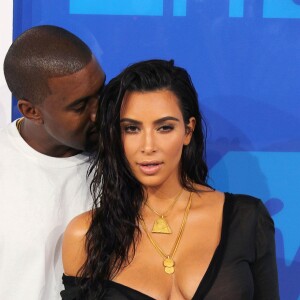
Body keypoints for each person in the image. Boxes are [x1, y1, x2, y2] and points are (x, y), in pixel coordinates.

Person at [61, 59, 279, 299]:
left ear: (188, 130)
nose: (148, 146)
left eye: (164, 127)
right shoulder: (85, 236)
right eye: (132, 129)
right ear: (116, 135)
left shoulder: (248, 219)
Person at [0, 25, 105, 299]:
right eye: (81, 106)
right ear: (31, 111)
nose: (99, 114)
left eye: (101, 92)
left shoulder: (130, 159)